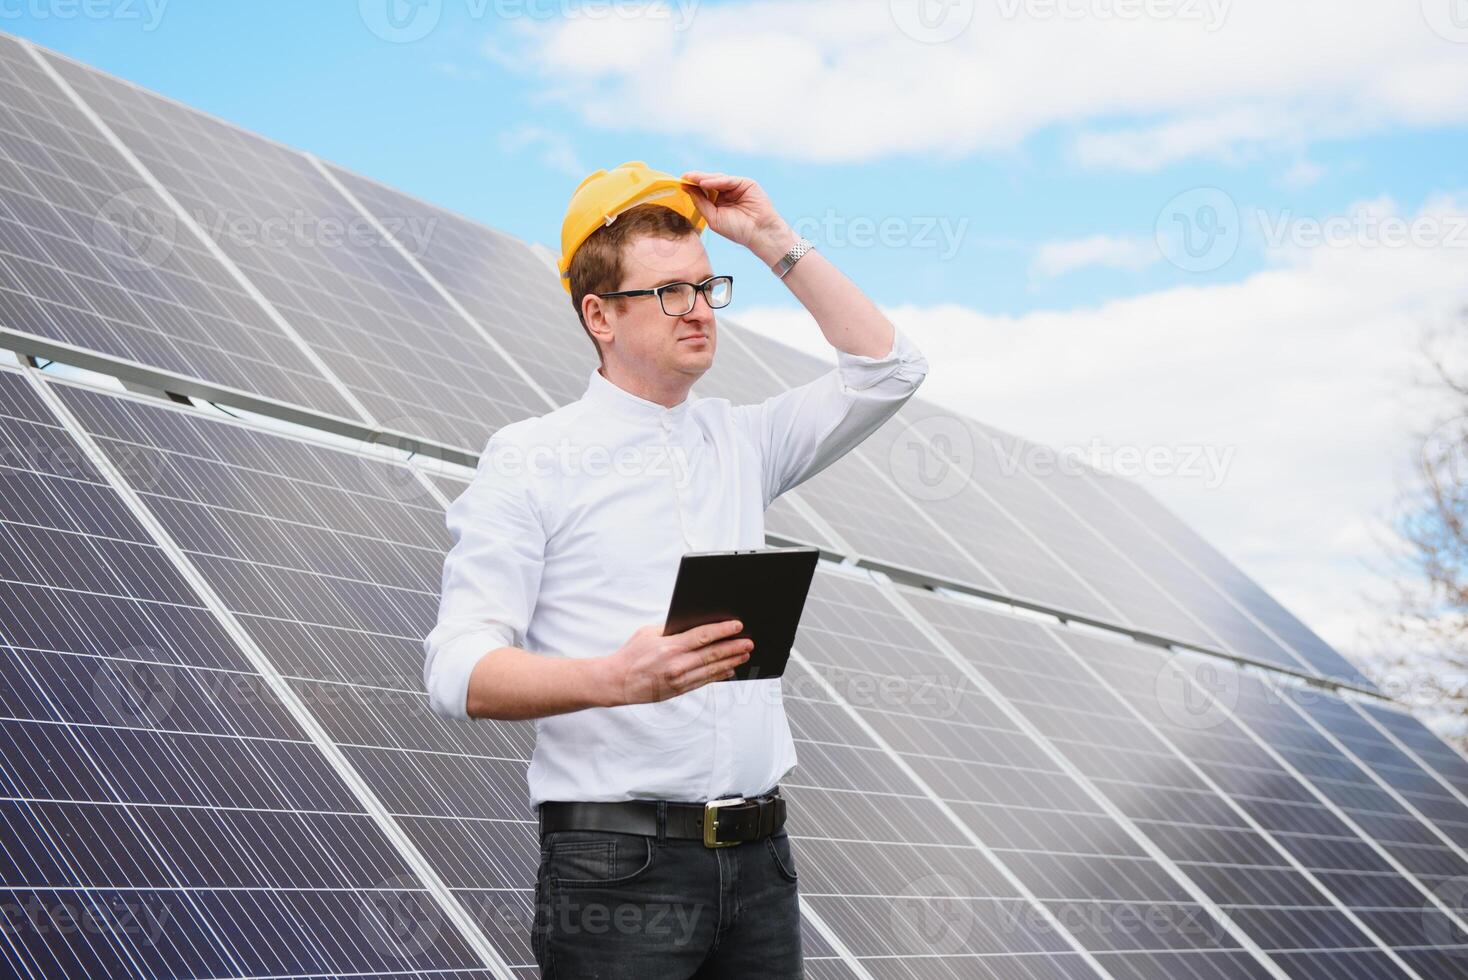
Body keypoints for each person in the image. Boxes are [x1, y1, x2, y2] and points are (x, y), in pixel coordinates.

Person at [423, 162, 928, 978]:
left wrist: (770, 240)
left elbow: (890, 369)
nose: (697, 309)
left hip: (762, 865)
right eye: (666, 293)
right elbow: (456, 671)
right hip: (618, 873)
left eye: (704, 286)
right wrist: (614, 678)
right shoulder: (530, 458)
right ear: (600, 316)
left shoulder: (743, 441)